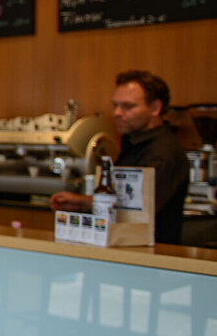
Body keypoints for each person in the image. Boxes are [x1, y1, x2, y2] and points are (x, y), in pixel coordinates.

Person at [50, 70, 189, 244]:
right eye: (115, 105)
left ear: (155, 108)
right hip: (126, 247)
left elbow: (138, 206)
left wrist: (86, 202)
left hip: (153, 255)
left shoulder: (163, 151)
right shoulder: (133, 143)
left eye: (127, 107)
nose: (117, 113)